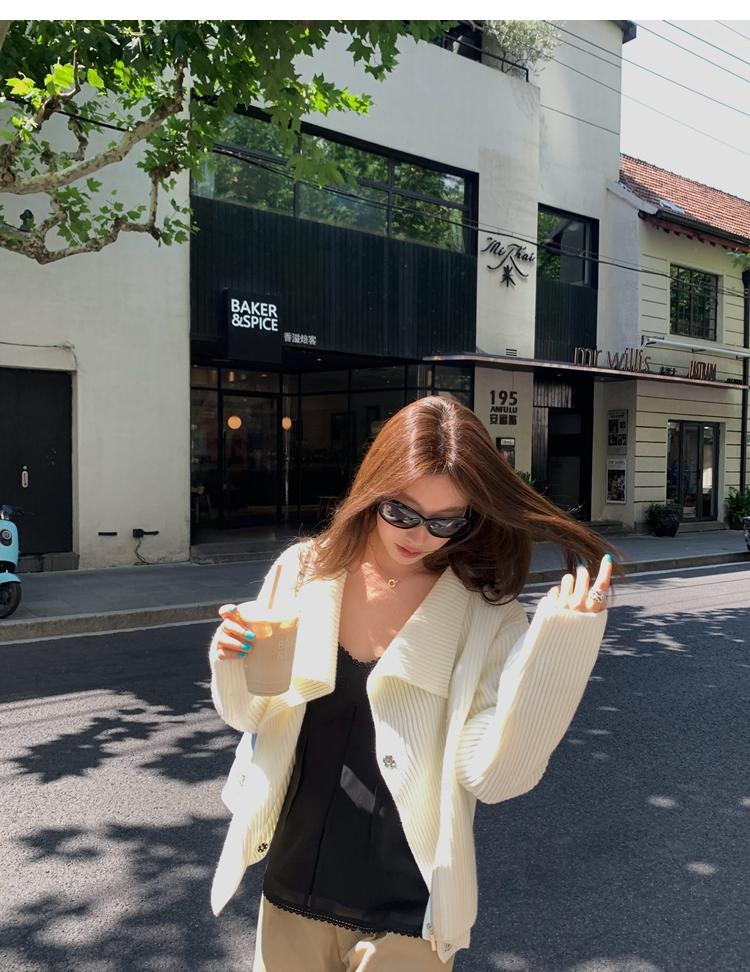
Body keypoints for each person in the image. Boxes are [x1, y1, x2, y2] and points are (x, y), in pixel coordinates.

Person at [207, 396, 615, 971]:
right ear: (372, 491)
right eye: (401, 511)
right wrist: (232, 659)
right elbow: (248, 714)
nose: (419, 534)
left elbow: (495, 777)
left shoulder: (486, 617)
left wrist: (560, 651)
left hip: (411, 913)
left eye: (446, 521)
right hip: (293, 887)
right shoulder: (303, 571)